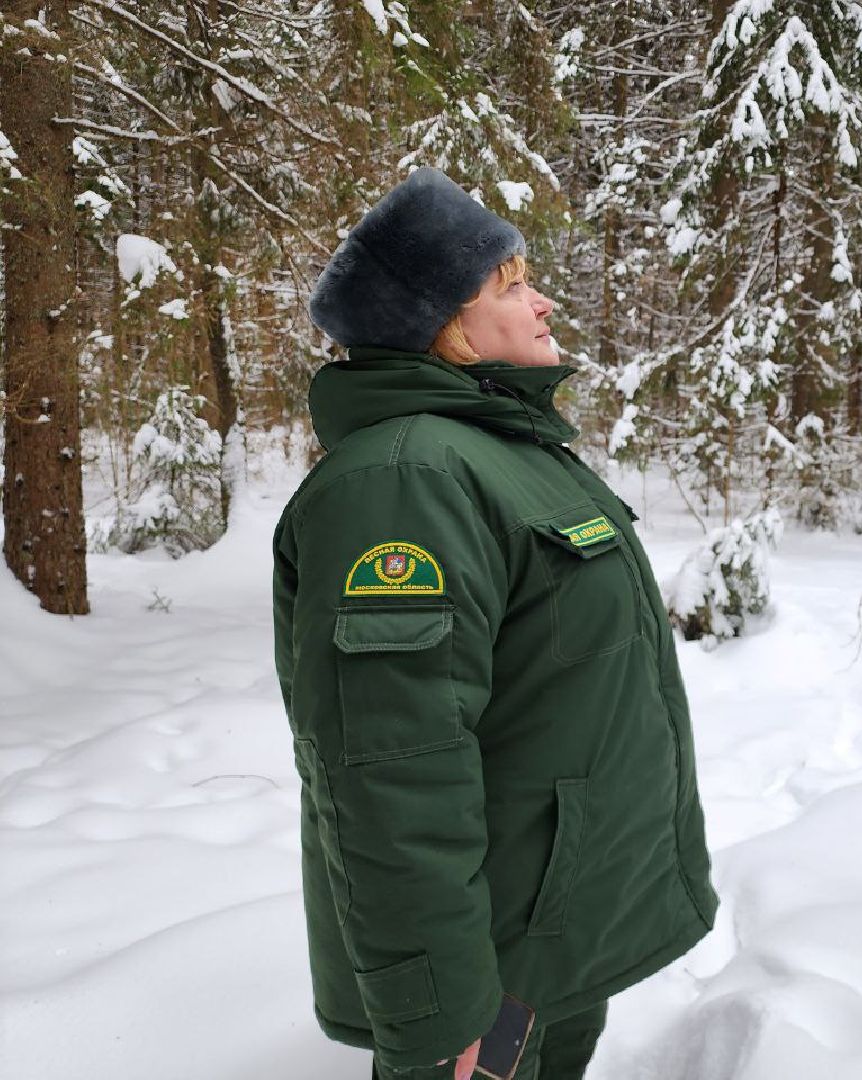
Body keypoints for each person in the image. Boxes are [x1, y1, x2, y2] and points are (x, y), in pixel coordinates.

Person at [271, 167, 720, 1080]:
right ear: (445, 326)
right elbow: (393, 769)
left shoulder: (502, 452)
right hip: (487, 972)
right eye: (510, 286)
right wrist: (438, 1004)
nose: (543, 301)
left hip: (546, 930)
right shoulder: (405, 482)